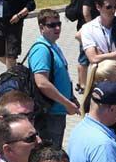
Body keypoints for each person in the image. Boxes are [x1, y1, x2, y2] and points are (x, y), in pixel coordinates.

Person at [26, 9, 79, 149]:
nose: (57, 28)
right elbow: (42, 82)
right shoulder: (41, 49)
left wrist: (71, 98)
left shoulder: (53, 46)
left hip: (57, 111)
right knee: (49, 155)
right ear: (41, 27)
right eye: (52, 25)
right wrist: (66, 103)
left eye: (59, 24)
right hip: (49, 114)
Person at [68, 0, 106, 92]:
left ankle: (80, 83)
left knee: (82, 57)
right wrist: (91, 27)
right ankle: (83, 85)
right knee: (85, 58)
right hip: (86, 29)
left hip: (82, 27)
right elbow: (86, 12)